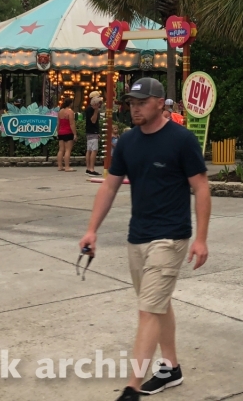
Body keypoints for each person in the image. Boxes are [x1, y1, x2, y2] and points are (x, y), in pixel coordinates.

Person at [78, 77, 210, 400]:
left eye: (141, 103)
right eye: (132, 103)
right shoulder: (127, 142)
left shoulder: (181, 140)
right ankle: (171, 368)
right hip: (137, 237)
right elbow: (109, 186)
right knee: (158, 303)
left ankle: (131, 388)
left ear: (160, 102)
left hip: (171, 237)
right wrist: (92, 229)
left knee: (148, 309)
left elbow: (202, 187)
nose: (134, 108)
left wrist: (201, 238)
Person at [56, 98, 76, 172]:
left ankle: (60, 166)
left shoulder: (60, 111)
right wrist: (75, 134)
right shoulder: (70, 112)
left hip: (61, 132)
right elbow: (72, 123)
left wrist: (57, 132)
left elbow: (58, 123)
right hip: (68, 132)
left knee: (61, 150)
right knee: (68, 150)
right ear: (70, 103)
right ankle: (67, 167)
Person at [85, 93, 103, 176]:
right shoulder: (91, 109)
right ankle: (91, 169)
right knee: (94, 150)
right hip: (92, 131)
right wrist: (96, 110)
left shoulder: (88, 109)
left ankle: (88, 168)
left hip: (90, 131)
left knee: (89, 150)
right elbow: (93, 120)